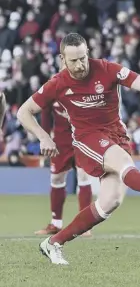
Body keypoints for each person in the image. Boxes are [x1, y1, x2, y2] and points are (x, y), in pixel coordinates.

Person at [17, 33, 140, 265]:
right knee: (122, 163)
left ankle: (53, 244)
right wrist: (43, 137)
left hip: (116, 135)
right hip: (87, 138)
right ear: (62, 59)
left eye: (83, 58)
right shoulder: (57, 83)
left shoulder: (107, 69)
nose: (80, 65)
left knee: (110, 201)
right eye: (74, 61)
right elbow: (23, 112)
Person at [35, 66, 93, 236]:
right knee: (56, 177)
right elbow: (45, 113)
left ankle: (85, 225)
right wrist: (44, 137)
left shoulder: (85, 86)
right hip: (61, 142)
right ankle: (56, 223)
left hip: (83, 138)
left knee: (83, 175)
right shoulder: (53, 86)